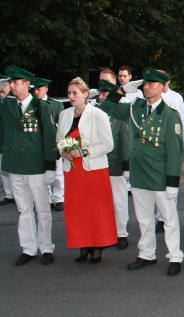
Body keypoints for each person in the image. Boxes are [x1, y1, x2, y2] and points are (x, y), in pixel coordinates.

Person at [100, 67, 184, 276]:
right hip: (139, 173)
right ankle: (147, 253)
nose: (146, 87)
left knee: (169, 219)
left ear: (162, 87)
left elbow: (175, 151)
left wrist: (173, 182)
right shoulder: (134, 108)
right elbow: (107, 106)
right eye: (144, 83)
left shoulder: (170, 115)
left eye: (151, 84)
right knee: (144, 218)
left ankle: (175, 256)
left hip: (160, 174)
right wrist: (120, 90)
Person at [57, 77, 117, 264]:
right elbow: (59, 140)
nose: (71, 96)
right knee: (78, 210)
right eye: (69, 93)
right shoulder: (64, 114)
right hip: (73, 171)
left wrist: (83, 151)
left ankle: (97, 246)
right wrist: (63, 152)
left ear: (85, 94)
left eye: (75, 93)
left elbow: (108, 144)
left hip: (93, 170)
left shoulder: (97, 114)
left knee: (96, 209)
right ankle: (82, 244)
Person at [2, 65, 57, 266]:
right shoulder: (7, 106)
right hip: (15, 165)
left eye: (14, 83)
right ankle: (28, 248)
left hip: (36, 166)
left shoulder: (41, 106)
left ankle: (46, 247)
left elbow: (49, 138)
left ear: (26, 84)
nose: (11, 86)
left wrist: (51, 167)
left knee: (42, 209)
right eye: (10, 83)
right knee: (23, 209)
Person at [96, 79, 130, 250]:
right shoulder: (94, 113)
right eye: (101, 93)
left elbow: (125, 140)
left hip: (114, 164)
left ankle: (121, 233)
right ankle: (105, 232)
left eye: (105, 93)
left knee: (119, 201)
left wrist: (126, 165)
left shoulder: (117, 115)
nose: (101, 96)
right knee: (100, 202)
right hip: (96, 165)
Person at [33, 77, 65, 212]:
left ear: (46, 89)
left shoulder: (56, 104)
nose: (35, 92)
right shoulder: (32, 104)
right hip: (37, 144)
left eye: (38, 89)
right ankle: (46, 198)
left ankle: (58, 198)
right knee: (41, 173)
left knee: (57, 172)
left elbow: (61, 125)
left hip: (53, 143)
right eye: (34, 89)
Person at [0, 76, 14, 206]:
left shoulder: (14, 100)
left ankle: (17, 193)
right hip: (2, 141)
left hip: (14, 140)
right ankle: (9, 194)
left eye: (3, 85)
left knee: (15, 168)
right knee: (3, 169)